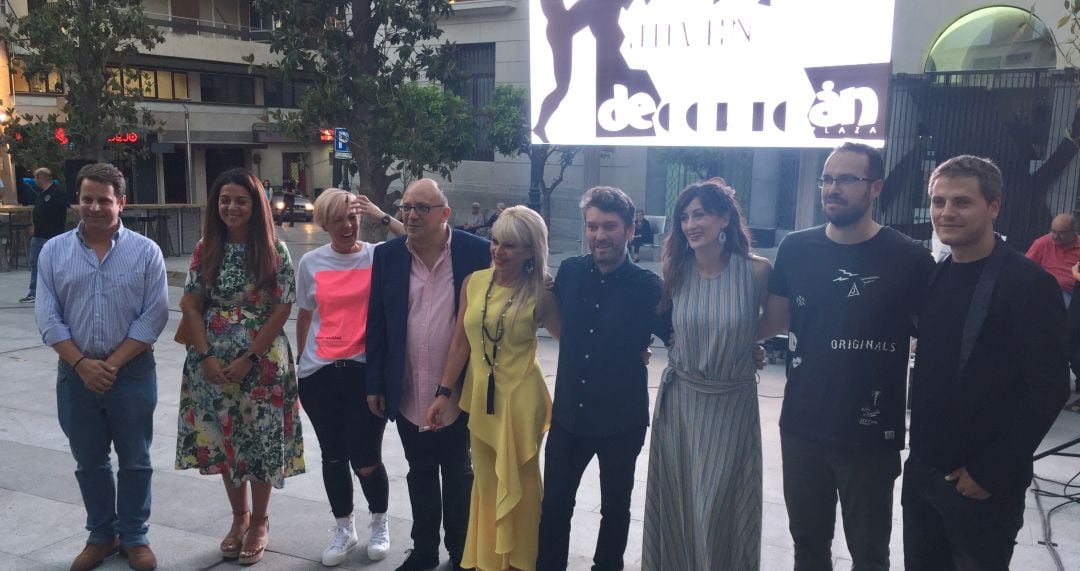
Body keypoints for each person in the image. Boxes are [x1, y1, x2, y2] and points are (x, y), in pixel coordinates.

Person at [757, 142, 936, 570]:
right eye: (827, 179)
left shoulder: (910, 257)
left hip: (871, 436)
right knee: (808, 547)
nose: (832, 188)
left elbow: (934, 338)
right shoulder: (796, 249)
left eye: (845, 179)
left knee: (870, 554)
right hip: (803, 427)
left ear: (875, 187)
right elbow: (773, 322)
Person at [904, 155, 1070, 570]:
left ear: (993, 206)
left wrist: (989, 471)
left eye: (961, 202)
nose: (946, 213)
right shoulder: (938, 275)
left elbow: (1049, 388)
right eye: (938, 202)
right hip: (925, 473)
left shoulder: (1029, 283)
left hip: (982, 484)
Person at [35, 162, 169, 571]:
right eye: (87, 199)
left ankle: (133, 536)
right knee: (89, 461)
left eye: (104, 200)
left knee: (135, 458)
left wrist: (108, 364)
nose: (94, 207)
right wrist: (81, 363)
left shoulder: (146, 252)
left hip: (131, 372)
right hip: (75, 375)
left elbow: (154, 316)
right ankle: (100, 534)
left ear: (121, 203)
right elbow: (47, 316)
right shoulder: (53, 251)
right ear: (77, 201)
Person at [536, 186, 671, 571]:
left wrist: (745, 347)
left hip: (621, 420)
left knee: (616, 508)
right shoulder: (572, 272)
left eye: (609, 226)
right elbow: (548, 311)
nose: (599, 235)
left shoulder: (649, 288)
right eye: (592, 226)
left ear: (630, 230)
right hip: (568, 420)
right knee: (555, 506)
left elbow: (681, 335)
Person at [175, 168, 305, 565]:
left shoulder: (272, 249)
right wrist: (205, 356)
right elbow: (192, 305)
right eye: (225, 199)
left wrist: (250, 357)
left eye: (241, 200)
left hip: (263, 366)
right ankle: (238, 518)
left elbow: (283, 309)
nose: (231, 207)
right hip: (209, 364)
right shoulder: (204, 248)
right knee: (225, 441)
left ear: (256, 206)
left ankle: (261, 520)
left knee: (260, 443)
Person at [642, 179, 771, 569]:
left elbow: (776, 320)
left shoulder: (756, 271)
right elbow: (668, 327)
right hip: (682, 401)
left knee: (720, 503)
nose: (690, 224)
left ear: (725, 219)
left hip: (731, 403)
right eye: (684, 217)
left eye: (699, 214)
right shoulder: (676, 269)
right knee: (681, 500)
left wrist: (744, 340)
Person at [366, 178, 491, 571]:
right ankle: (423, 552)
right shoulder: (388, 256)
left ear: (445, 214)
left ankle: (460, 552)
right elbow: (377, 324)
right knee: (419, 470)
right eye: (407, 207)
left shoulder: (477, 252)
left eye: (422, 208)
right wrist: (374, 383)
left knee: (457, 469)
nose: (412, 215)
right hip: (406, 386)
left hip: (460, 387)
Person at [427, 206, 561, 571]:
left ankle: (520, 562)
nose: (498, 251)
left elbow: (574, 342)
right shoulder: (474, 282)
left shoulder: (543, 294)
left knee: (522, 484)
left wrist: (635, 349)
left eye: (511, 246)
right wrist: (443, 392)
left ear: (531, 251)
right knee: (486, 484)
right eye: (496, 241)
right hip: (478, 398)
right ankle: (488, 561)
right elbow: (460, 344)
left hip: (521, 401)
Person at [295, 189, 405, 566]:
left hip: (365, 374)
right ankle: (344, 528)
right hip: (320, 373)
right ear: (324, 223)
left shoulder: (377, 255)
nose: (347, 225)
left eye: (353, 216)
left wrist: (380, 214)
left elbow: (417, 242)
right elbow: (306, 314)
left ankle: (379, 523)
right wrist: (300, 362)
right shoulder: (310, 262)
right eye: (338, 218)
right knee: (332, 457)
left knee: (367, 458)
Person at [22, 167, 69, 304]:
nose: (35, 180)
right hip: (39, 234)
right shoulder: (41, 194)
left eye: (36, 177)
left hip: (53, 235)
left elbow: (67, 208)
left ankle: (57, 291)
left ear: (42, 177)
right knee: (35, 263)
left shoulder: (57, 192)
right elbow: (38, 212)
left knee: (55, 265)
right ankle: (34, 291)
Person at [1025, 212, 1080, 305]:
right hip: (1045, 289)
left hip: (1072, 292)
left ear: (1073, 232)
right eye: (1053, 231)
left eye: (1061, 233)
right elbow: (1025, 267)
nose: (1055, 236)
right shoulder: (1042, 243)